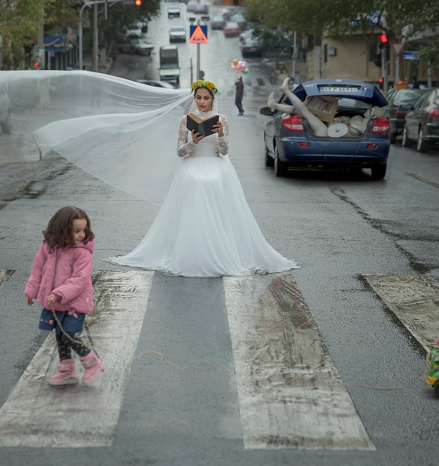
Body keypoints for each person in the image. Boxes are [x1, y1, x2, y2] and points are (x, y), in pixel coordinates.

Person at [108, 79, 298, 277]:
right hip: (193, 162)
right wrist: (193, 142)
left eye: (206, 98)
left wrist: (222, 135)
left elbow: (224, 151)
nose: (201, 101)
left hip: (215, 163)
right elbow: (180, 152)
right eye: (198, 97)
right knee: (194, 180)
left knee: (212, 180)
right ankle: (191, 246)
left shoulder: (221, 119)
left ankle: (217, 245)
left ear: (212, 99)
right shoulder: (186, 120)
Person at [25, 206, 104, 385]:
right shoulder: (49, 247)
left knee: (68, 335)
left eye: (84, 230)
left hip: (74, 303)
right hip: (54, 302)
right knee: (60, 337)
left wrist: (59, 294)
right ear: (61, 230)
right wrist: (31, 291)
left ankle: (92, 362)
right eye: (76, 231)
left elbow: (80, 279)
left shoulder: (82, 252)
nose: (81, 235)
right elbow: (37, 270)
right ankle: (67, 371)